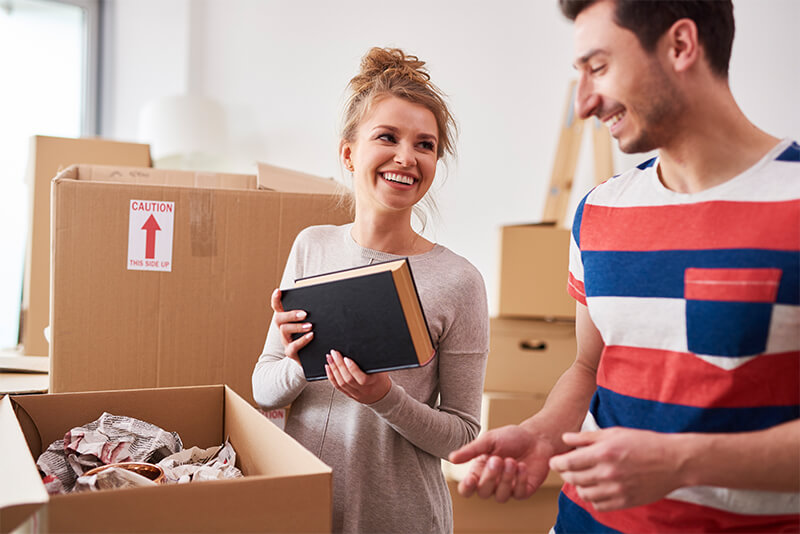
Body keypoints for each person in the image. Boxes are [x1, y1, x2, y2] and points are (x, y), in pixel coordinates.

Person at [449, 1, 800, 532]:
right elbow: (590, 366)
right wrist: (544, 435)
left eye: (599, 67)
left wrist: (680, 461)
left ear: (680, 46)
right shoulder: (599, 210)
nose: (585, 102)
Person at [252, 47, 489, 534]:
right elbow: (262, 386)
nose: (407, 157)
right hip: (301, 511)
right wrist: (297, 364)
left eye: (425, 145)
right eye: (388, 137)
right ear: (348, 153)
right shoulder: (310, 246)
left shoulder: (459, 281)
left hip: (399, 519)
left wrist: (385, 397)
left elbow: (462, 436)